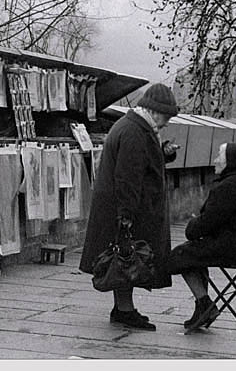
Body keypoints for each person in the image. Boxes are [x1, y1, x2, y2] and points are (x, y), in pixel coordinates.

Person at [79, 83, 179, 331]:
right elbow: (128, 176)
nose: (166, 123)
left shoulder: (134, 126)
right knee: (127, 259)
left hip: (121, 207)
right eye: (166, 117)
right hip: (125, 209)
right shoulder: (135, 131)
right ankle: (124, 311)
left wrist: (162, 152)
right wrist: (126, 215)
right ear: (155, 111)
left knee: (124, 259)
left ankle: (124, 308)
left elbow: (140, 164)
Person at [167, 142, 236, 330]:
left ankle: (204, 304)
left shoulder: (229, 186)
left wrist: (194, 223)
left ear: (231, 161)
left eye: (219, 157)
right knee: (196, 253)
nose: (214, 160)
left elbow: (198, 229)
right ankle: (203, 306)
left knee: (181, 254)